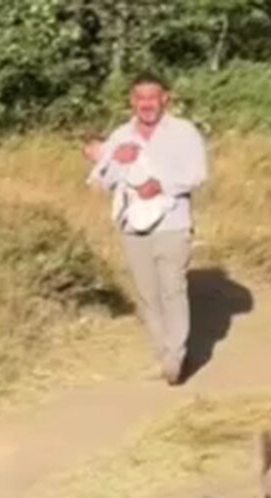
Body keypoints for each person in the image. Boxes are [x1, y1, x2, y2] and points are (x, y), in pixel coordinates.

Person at [84, 72, 208, 386]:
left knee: (173, 289)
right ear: (132, 101)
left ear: (165, 98)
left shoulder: (184, 132)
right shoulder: (120, 134)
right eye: (140, 99)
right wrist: (116, 160)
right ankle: (162, 352)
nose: (146, 104)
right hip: (132, 224)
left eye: (152, 98)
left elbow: (198, 175)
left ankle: (174, 358)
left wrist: (162, 185)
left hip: (172, 222)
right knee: (148, 294)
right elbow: (101, 182)